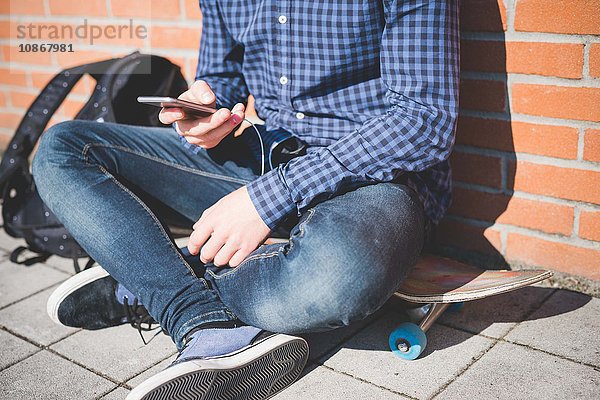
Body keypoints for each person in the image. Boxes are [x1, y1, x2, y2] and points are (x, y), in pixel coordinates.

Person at [33, 1, 459, 399]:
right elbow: (222, 77)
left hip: (373, 175)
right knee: (62, 149)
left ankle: (155, 281)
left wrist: (268, 199)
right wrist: (204, 109)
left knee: (335, 279)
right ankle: (198, 318)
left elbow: (423, 120)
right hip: (264, 154)